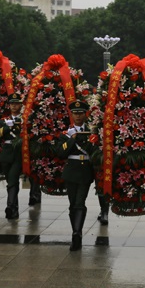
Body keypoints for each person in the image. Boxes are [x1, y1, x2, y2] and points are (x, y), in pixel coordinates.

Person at [59, 99, 96, 251]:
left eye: (81, 113)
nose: (78, 116)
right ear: (72, 115)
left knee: (80, 203)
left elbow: (94, 151)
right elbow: (61, 152)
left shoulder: (92, 132)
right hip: (71, 171)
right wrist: (72, 139)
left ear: (85, 114)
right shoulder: (66, 134)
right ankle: (76, 230)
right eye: (75, 113)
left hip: (85, 171)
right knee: (72, 204)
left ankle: (77, 234)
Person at [0, 95, 26, 219]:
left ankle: (10, 206)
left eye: (16, 103)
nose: (14, 106)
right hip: (6, 154)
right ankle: (14, 208)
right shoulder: (4, 121)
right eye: (12, 104)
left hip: (19, 153)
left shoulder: (24, 119)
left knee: (13, 179)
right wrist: (7, 127)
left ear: (21, 105)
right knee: (10, 182)